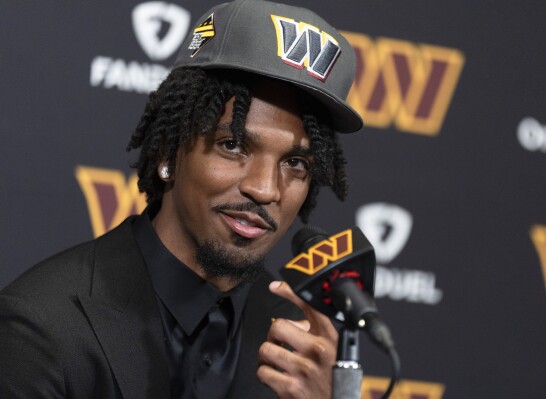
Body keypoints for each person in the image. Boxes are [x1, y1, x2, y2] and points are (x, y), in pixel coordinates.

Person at [0, 0, 363, 397]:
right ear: (167, 153)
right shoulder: (42, 326)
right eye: (233, 145)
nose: (265, 189)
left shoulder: (300, 343)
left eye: (295, 163)